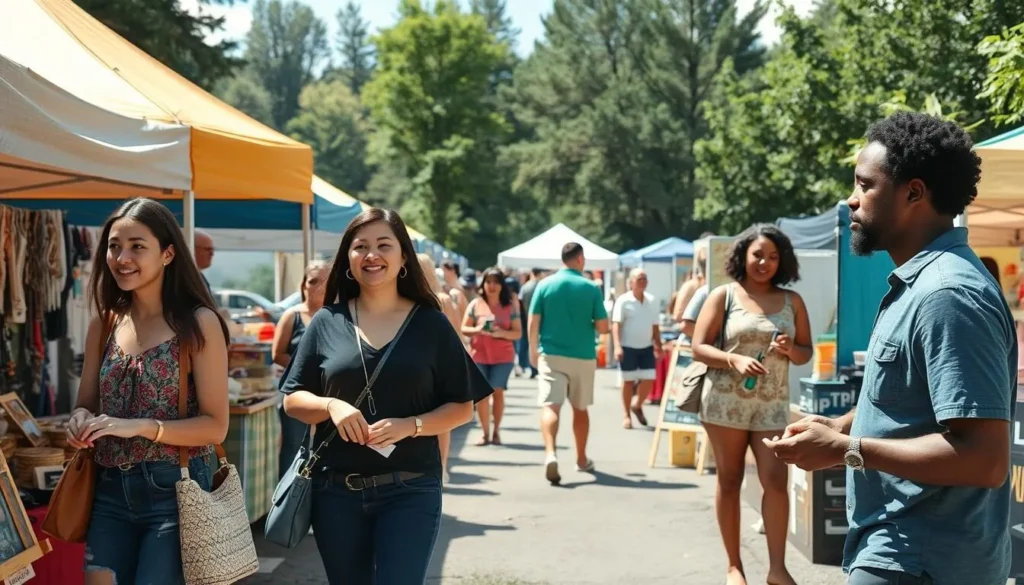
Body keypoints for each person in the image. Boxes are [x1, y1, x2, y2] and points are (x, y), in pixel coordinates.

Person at [764, 112, 1017, 585]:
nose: (851, 199)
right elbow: (910, 407)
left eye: (865, 185)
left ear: (913, 193)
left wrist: (848, 448)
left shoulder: (947, 295)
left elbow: (984, 459)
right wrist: (840, 424)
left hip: (922, 559)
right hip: (903, 551)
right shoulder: (920, 284)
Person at [280, 207, 492, 585]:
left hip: (411, 489)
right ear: (347, 259)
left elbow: (462, 407)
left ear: (403, 257)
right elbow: (293, 398)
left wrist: (412, 425)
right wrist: (331, 405)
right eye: (360, 246)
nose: (371, 255)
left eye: (383, 245)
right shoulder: (327, 322)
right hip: (335, 493)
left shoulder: (431, 323)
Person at [65, 197, 230, 585]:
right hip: (108, 488)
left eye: (138, 246)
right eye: (114, 246)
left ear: (168, 254)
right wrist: (79, 422)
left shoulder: (198, 323)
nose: (122, 257)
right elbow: (85, 404)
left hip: (176, 489)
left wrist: (139, 426)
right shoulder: (104, 323)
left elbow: (215, 427)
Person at [691, 224, 813, 585]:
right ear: (743, 255)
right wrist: (734, 360)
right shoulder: (724, 295)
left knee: (776, 481)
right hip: (725, 405)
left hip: (771, 405)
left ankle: (777, 569)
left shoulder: (793, 301)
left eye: (774, 257)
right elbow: (698, 346)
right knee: (729, 481)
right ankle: (734, 567)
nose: (765, 262)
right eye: (758, 254)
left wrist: (791, 349)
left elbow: (806, 352)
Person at [529, 242, 609, 485]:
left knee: (551, 406)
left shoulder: (544, 285)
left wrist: (532, 351)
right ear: (580, 259)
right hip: (583, 355)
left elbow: (534, 322)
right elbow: (602, 327)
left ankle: (551, 453)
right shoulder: (591, 287)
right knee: (580, 408)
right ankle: (582, 459)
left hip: (552, 354)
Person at [272, 259, 328, 479]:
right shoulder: (292, 315)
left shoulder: (339, 315)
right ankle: (289, 501)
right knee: (294, 447)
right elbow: (277, 354)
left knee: (326, 447)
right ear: (304, 284)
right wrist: (305, 370)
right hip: (299, 393)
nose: (318, 286)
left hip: (331, 394)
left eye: (324, 281)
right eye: (313, 281)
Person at [462, 267, 522, 446]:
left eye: (496, 282)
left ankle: (496, 431)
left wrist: (501, 333)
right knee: (482, 396)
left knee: (497, 391)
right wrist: (478, 330)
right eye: (488, 282)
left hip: (503, 357)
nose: (492, 286)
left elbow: (518, 333)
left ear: (502, 285)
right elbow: (464, 328)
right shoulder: (475, 304)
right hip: (479, 355)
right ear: (483, 284)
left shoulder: (510, 305)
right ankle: (485, 432)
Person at [417, 253, 461, 483]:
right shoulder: (442, 299)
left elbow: (455, 334)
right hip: (438, 365)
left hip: (430, 366)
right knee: (440, 419)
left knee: (431, 418)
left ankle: (440, 466)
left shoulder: (439, 300)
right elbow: (458, 335)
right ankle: (441, 466)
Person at [611, 268, 662, 429]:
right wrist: (618, 346)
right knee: (628, 381)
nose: (643, 282)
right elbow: (616, 325)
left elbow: (655, 326)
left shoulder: (652, 300)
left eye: (645, 279)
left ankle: (637, 404)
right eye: (639, 279)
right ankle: (626, 415)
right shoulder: (623, 301)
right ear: (631, 282)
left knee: (649, 378)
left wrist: (658, 346)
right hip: (628, 347)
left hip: (646, 347)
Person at [517, 269, 545, 378]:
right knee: (535, 343)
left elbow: (520, 302)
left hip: (525, 318)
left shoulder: (525, 287)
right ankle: (534, 368)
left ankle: (523, 365)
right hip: (539, 319)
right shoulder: (541, 286)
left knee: (524, 343)